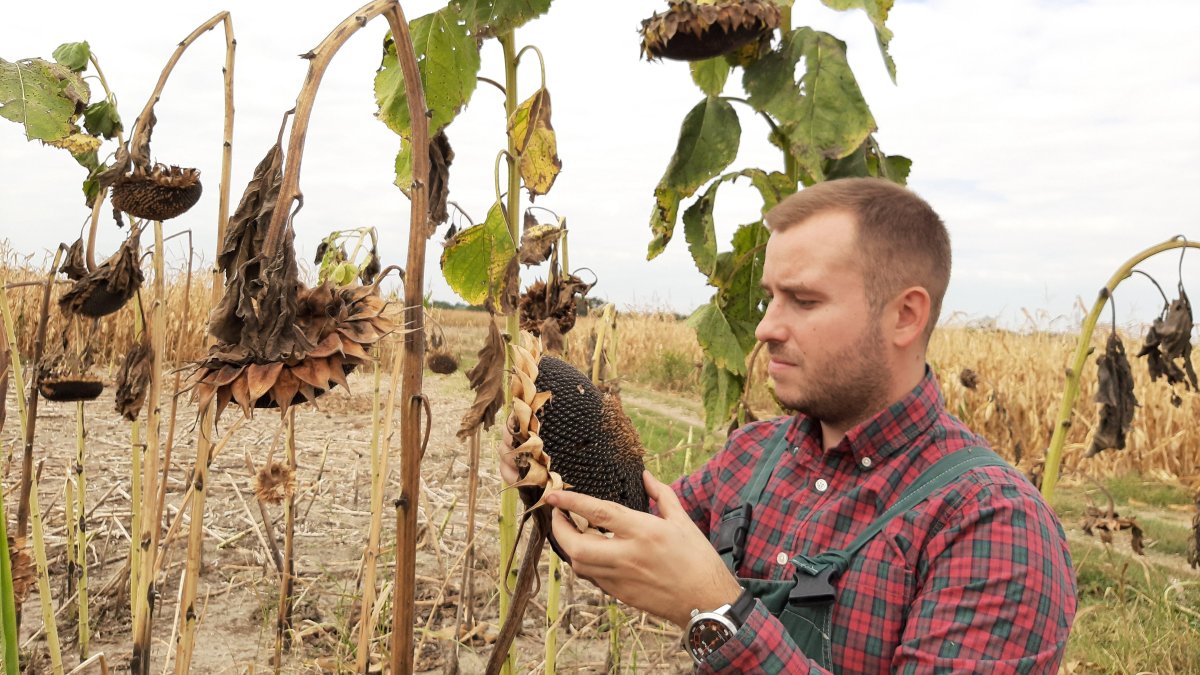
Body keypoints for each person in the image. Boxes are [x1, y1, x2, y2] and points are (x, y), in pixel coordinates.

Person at [501, 177, 1077, 673]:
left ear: (905, 315)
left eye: (801, 301)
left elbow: (695, 588)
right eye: (771, 297)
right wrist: (551, 459)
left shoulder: (992, 525)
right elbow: (631, 542)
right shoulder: (754, 455)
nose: (766, 329)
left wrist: (721, 613)